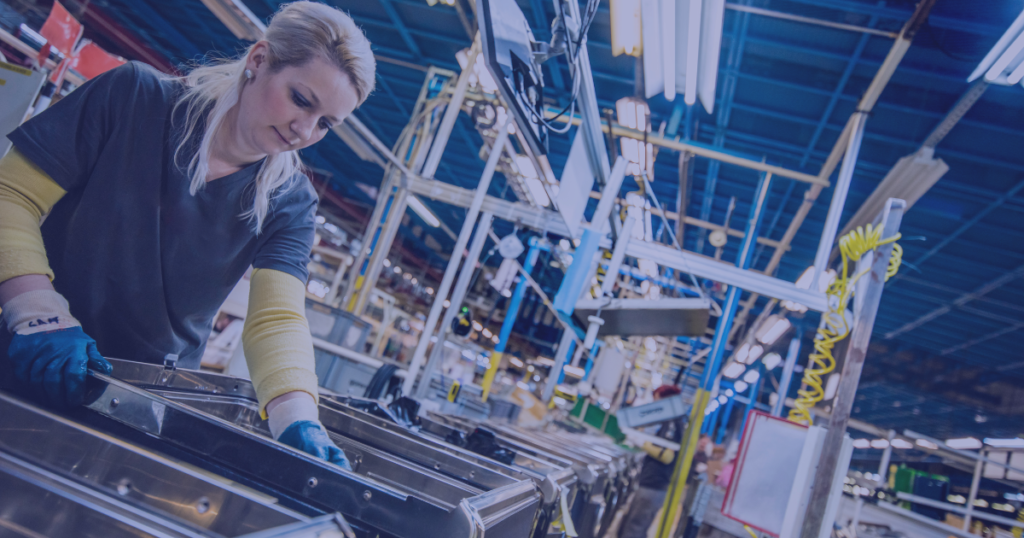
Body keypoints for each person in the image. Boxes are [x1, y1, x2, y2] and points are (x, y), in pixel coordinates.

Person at [0, 1, 375, 470]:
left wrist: (299, 420)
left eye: (326, 124)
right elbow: (12, 197)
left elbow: (276, 318)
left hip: (138, 406)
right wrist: (37, 315)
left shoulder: (290, 200)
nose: (304, 131)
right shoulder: (132, 98)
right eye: (301, 100)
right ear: (258, 61)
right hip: (30, 354)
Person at [618, 385, 707, 538]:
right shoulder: (672, 421)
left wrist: (641, 442)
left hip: (655, 485)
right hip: (653, 484)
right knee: (635, 525)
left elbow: (667, 456)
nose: (654, 404)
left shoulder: (672, 422)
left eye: (656, 400)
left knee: (635, 528)